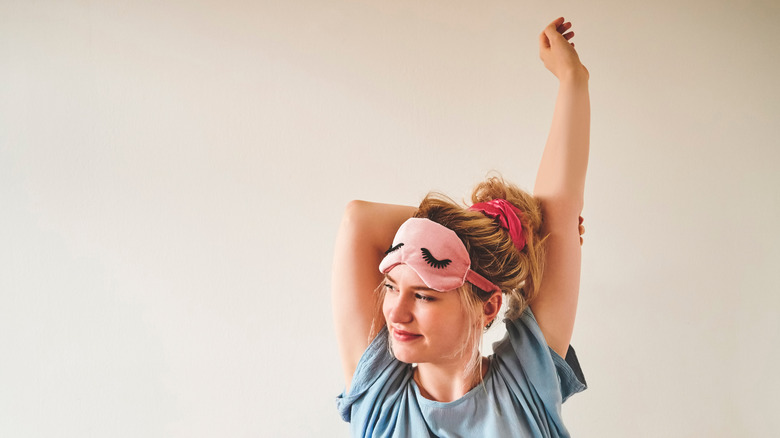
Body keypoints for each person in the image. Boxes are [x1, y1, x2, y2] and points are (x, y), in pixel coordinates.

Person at [331, 17, 590, 437]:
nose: (395, 312)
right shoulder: (379, 400)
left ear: (488, 307)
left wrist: (571, 79)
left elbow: (556, 217)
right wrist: (478, 235)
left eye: (425, 296)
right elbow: (357, 219)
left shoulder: (526, 386)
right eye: (393, 287)